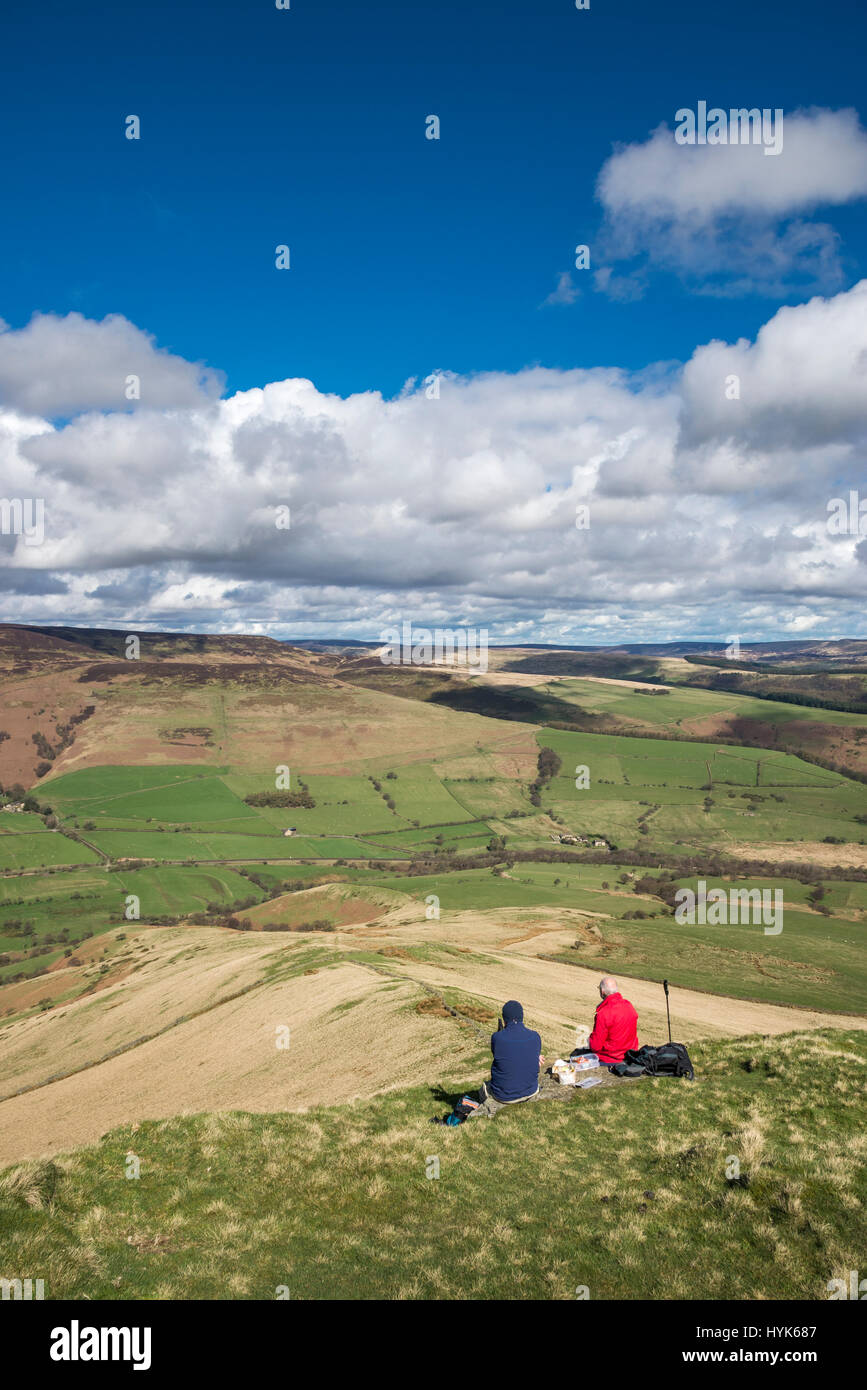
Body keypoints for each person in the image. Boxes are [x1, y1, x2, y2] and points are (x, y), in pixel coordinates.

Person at [467, 999, 543, 1119]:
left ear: (504, 1018)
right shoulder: (535, 1036)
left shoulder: (497, 1038)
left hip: (504, 1096)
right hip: (531, 1090)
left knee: (484, 1088)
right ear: (521, 1016)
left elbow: (497, 1054)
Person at [576, 976, 639, 1067]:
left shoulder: (604, 1013)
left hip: (610, 1059)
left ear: (602, 991)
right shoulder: (629, 1005)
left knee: (576, 1058)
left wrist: (589, 1039)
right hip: (630, 1056)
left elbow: (595, 1047)